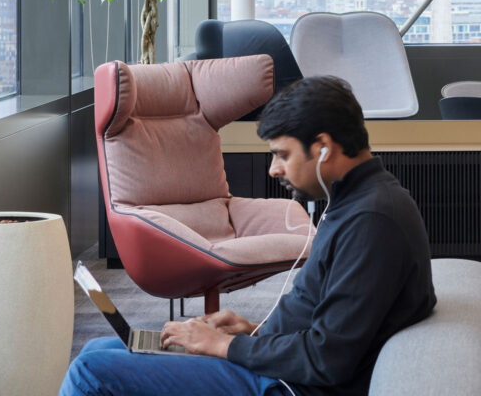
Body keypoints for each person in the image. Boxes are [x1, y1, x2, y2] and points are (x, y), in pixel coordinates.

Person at [60, 76, 436, 396]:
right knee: (101, 347)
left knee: (91, 371)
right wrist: (252, 330)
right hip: (271, 362)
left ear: (322, 149)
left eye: (282, 154)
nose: (273, 169)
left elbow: (328, 360)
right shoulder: (353, 202)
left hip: (284, 384)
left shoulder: (371, 221)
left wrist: (227, 347)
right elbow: (328, 318)